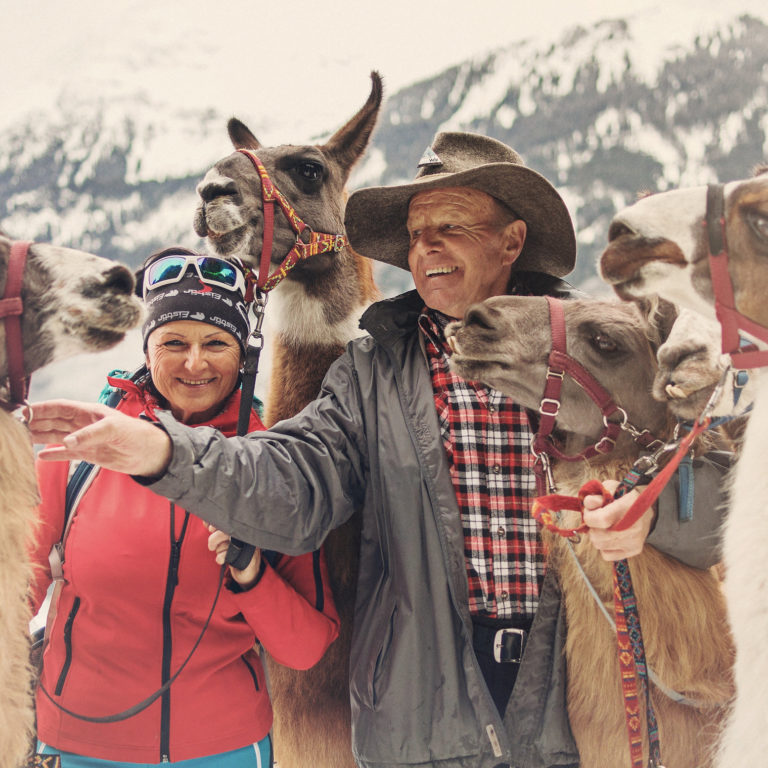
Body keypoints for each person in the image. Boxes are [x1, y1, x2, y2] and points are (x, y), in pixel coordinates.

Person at [29, 135, 728, 768]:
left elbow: (717, 493)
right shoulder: (372, 374)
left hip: (579, 710)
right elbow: (287, 480)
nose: (425, 248)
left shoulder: (600, 346)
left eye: (450, 226)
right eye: (416, 233)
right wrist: (157, 450)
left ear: (511, 240)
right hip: (421, 721)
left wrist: (654, 511)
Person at [28, 247, 340, 767]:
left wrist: (251, 572)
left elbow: (305, 649)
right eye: (174, 342)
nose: (195, 362)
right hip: (77, 745)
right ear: (147, 350)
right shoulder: (84, 450)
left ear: (242, 354)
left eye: (216, 342)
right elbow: (16, 593)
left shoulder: (271, 468)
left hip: (225, 750)